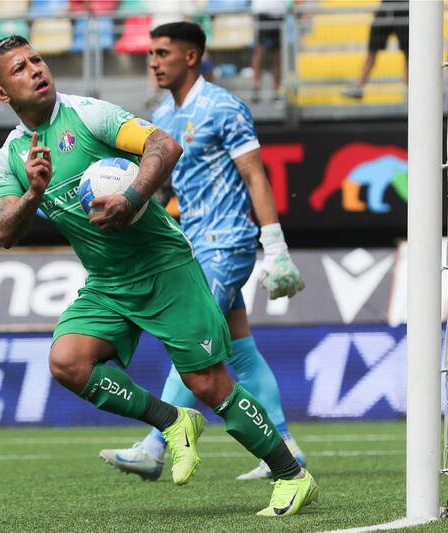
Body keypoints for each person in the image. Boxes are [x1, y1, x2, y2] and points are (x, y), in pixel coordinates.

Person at [0, 35, 318, 517]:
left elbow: (164, 144)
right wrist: (33, 194)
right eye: (20, 68)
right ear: (1, 94)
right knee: (68, 363)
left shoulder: (90, 116)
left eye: (37, 59)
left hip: (165, 268)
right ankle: (172, 421)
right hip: (107, 283)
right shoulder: (10, 158)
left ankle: (292, 476)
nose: (36, 69)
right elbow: (4, 229)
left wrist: (133, 197)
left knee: (208, 383)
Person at [99, 21, 307, 482]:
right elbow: (164, 192)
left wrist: (276, 248)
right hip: (195, 246)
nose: (152, 61)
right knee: (243, 352)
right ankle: (286, 443)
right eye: (150, 53)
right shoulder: (163, 120)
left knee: (190, 344)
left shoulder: (224, 107)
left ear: (190, 57)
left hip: (227, 243)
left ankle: (156, 444)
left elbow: (255, 174)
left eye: (162, 53)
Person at [342, 0, 409, 100]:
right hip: (389, 8)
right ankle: (359, 86)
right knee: (373, 50)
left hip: (403, 8)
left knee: (409, 52)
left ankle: (409, 90)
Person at [250, 0, 286, 102]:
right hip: (262, 11)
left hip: (279, 13)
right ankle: (256, 87)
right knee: (259, 52)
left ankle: (278, 90)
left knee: (277, 55)